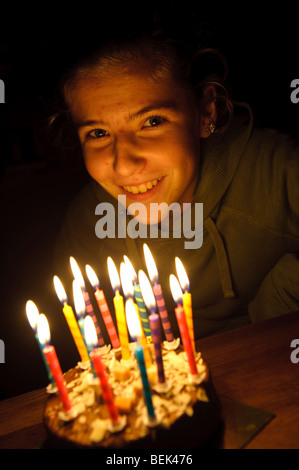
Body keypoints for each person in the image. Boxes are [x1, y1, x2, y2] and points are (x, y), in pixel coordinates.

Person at [51, 20, 299, 345]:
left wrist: (281, 299)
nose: (124, 165)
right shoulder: (88, 220)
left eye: (152, 122)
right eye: (98, 133)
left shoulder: (277, 171)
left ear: (205, 111)